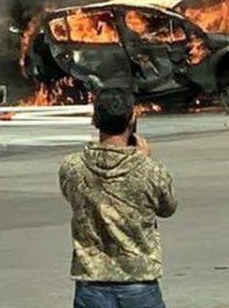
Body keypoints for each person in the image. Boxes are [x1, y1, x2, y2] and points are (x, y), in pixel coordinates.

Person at [60, 88, 177, 308]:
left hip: (92, 282)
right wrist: (141, 162)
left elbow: (72, 196)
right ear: (132, 118)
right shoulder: (151, 170)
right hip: (139, 281)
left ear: (95, 120)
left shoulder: (71, 167)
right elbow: (167, 207)